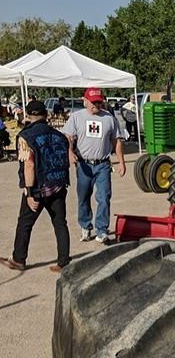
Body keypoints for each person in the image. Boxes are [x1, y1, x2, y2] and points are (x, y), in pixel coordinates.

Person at [0, 100, 71, 272]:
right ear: (46, 115)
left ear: (28, 115)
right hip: (58, 185)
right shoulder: (59, 135)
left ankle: (18, 259)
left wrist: (30, 193)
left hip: (38, 188)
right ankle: (63, 262)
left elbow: (29, 165)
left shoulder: (26, 136)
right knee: (60, 223)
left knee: (25, 223)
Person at [62, 87, 126, 244]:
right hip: (84, 165)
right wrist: (69, 152)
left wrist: (122, 162)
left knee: (104, 197)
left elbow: (116, 140)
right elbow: (68, 137)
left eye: (99, 101)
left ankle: (102, 230)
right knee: (83, 197)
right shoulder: (76, 117)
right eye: (93, 102)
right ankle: (85, 225)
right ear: (85, 101)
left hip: (102, 164)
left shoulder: (109, 118)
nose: (96, 104)